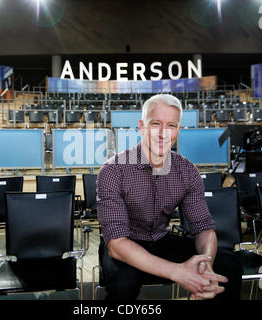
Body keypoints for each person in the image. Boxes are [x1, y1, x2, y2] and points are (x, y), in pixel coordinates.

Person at [96, 94, 242, 300]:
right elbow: (117, 245)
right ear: (142, 126)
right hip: (125, 243)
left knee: (228, 264)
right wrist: (178, 272)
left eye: (171, 125)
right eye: (156, 123)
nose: (163, 133)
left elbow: (204, 229)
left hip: (161, 239)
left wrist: (205, 265)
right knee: (123, 284)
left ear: (178, 130)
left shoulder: (188, 171)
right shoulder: (113, 170)